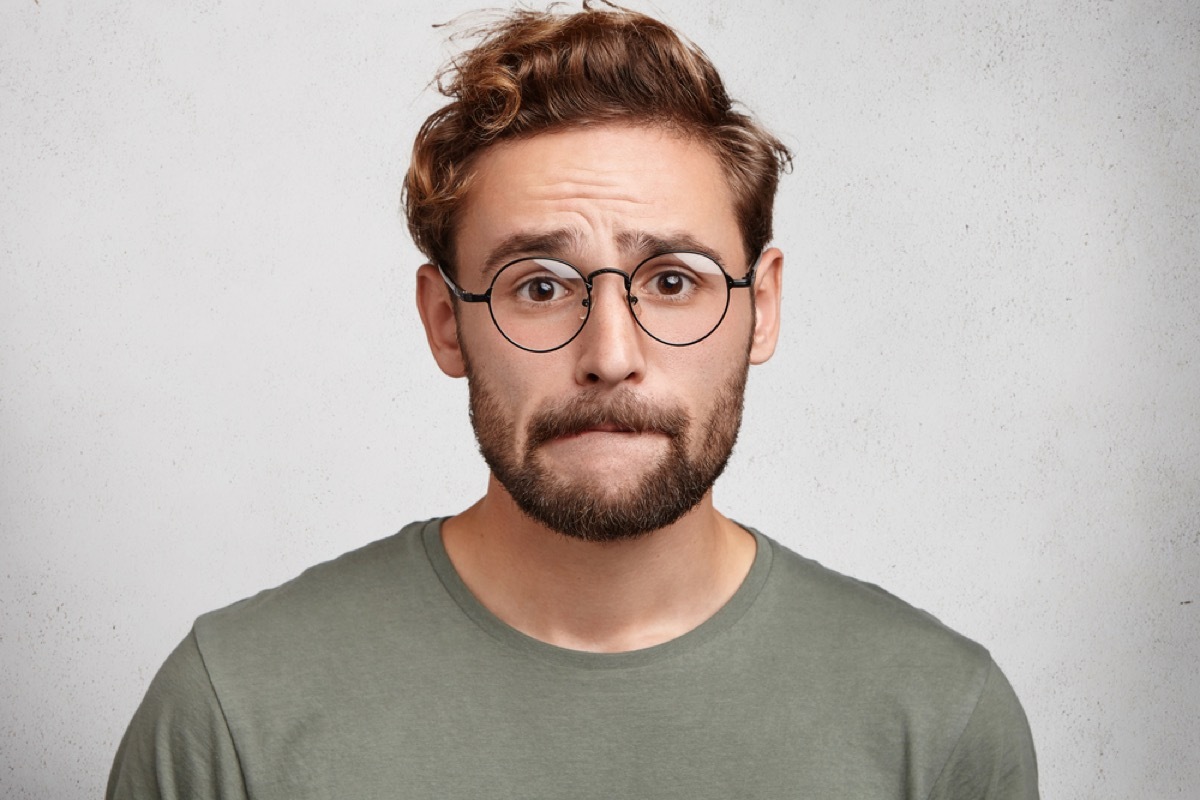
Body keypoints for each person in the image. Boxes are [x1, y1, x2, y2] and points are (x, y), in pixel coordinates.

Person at [107, 4, 1038, 798]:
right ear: (445, 322)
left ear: (762, 309)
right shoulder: (231, 715)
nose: (610, 356)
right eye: (540, 286)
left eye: (672, 281)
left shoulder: (938, 724)